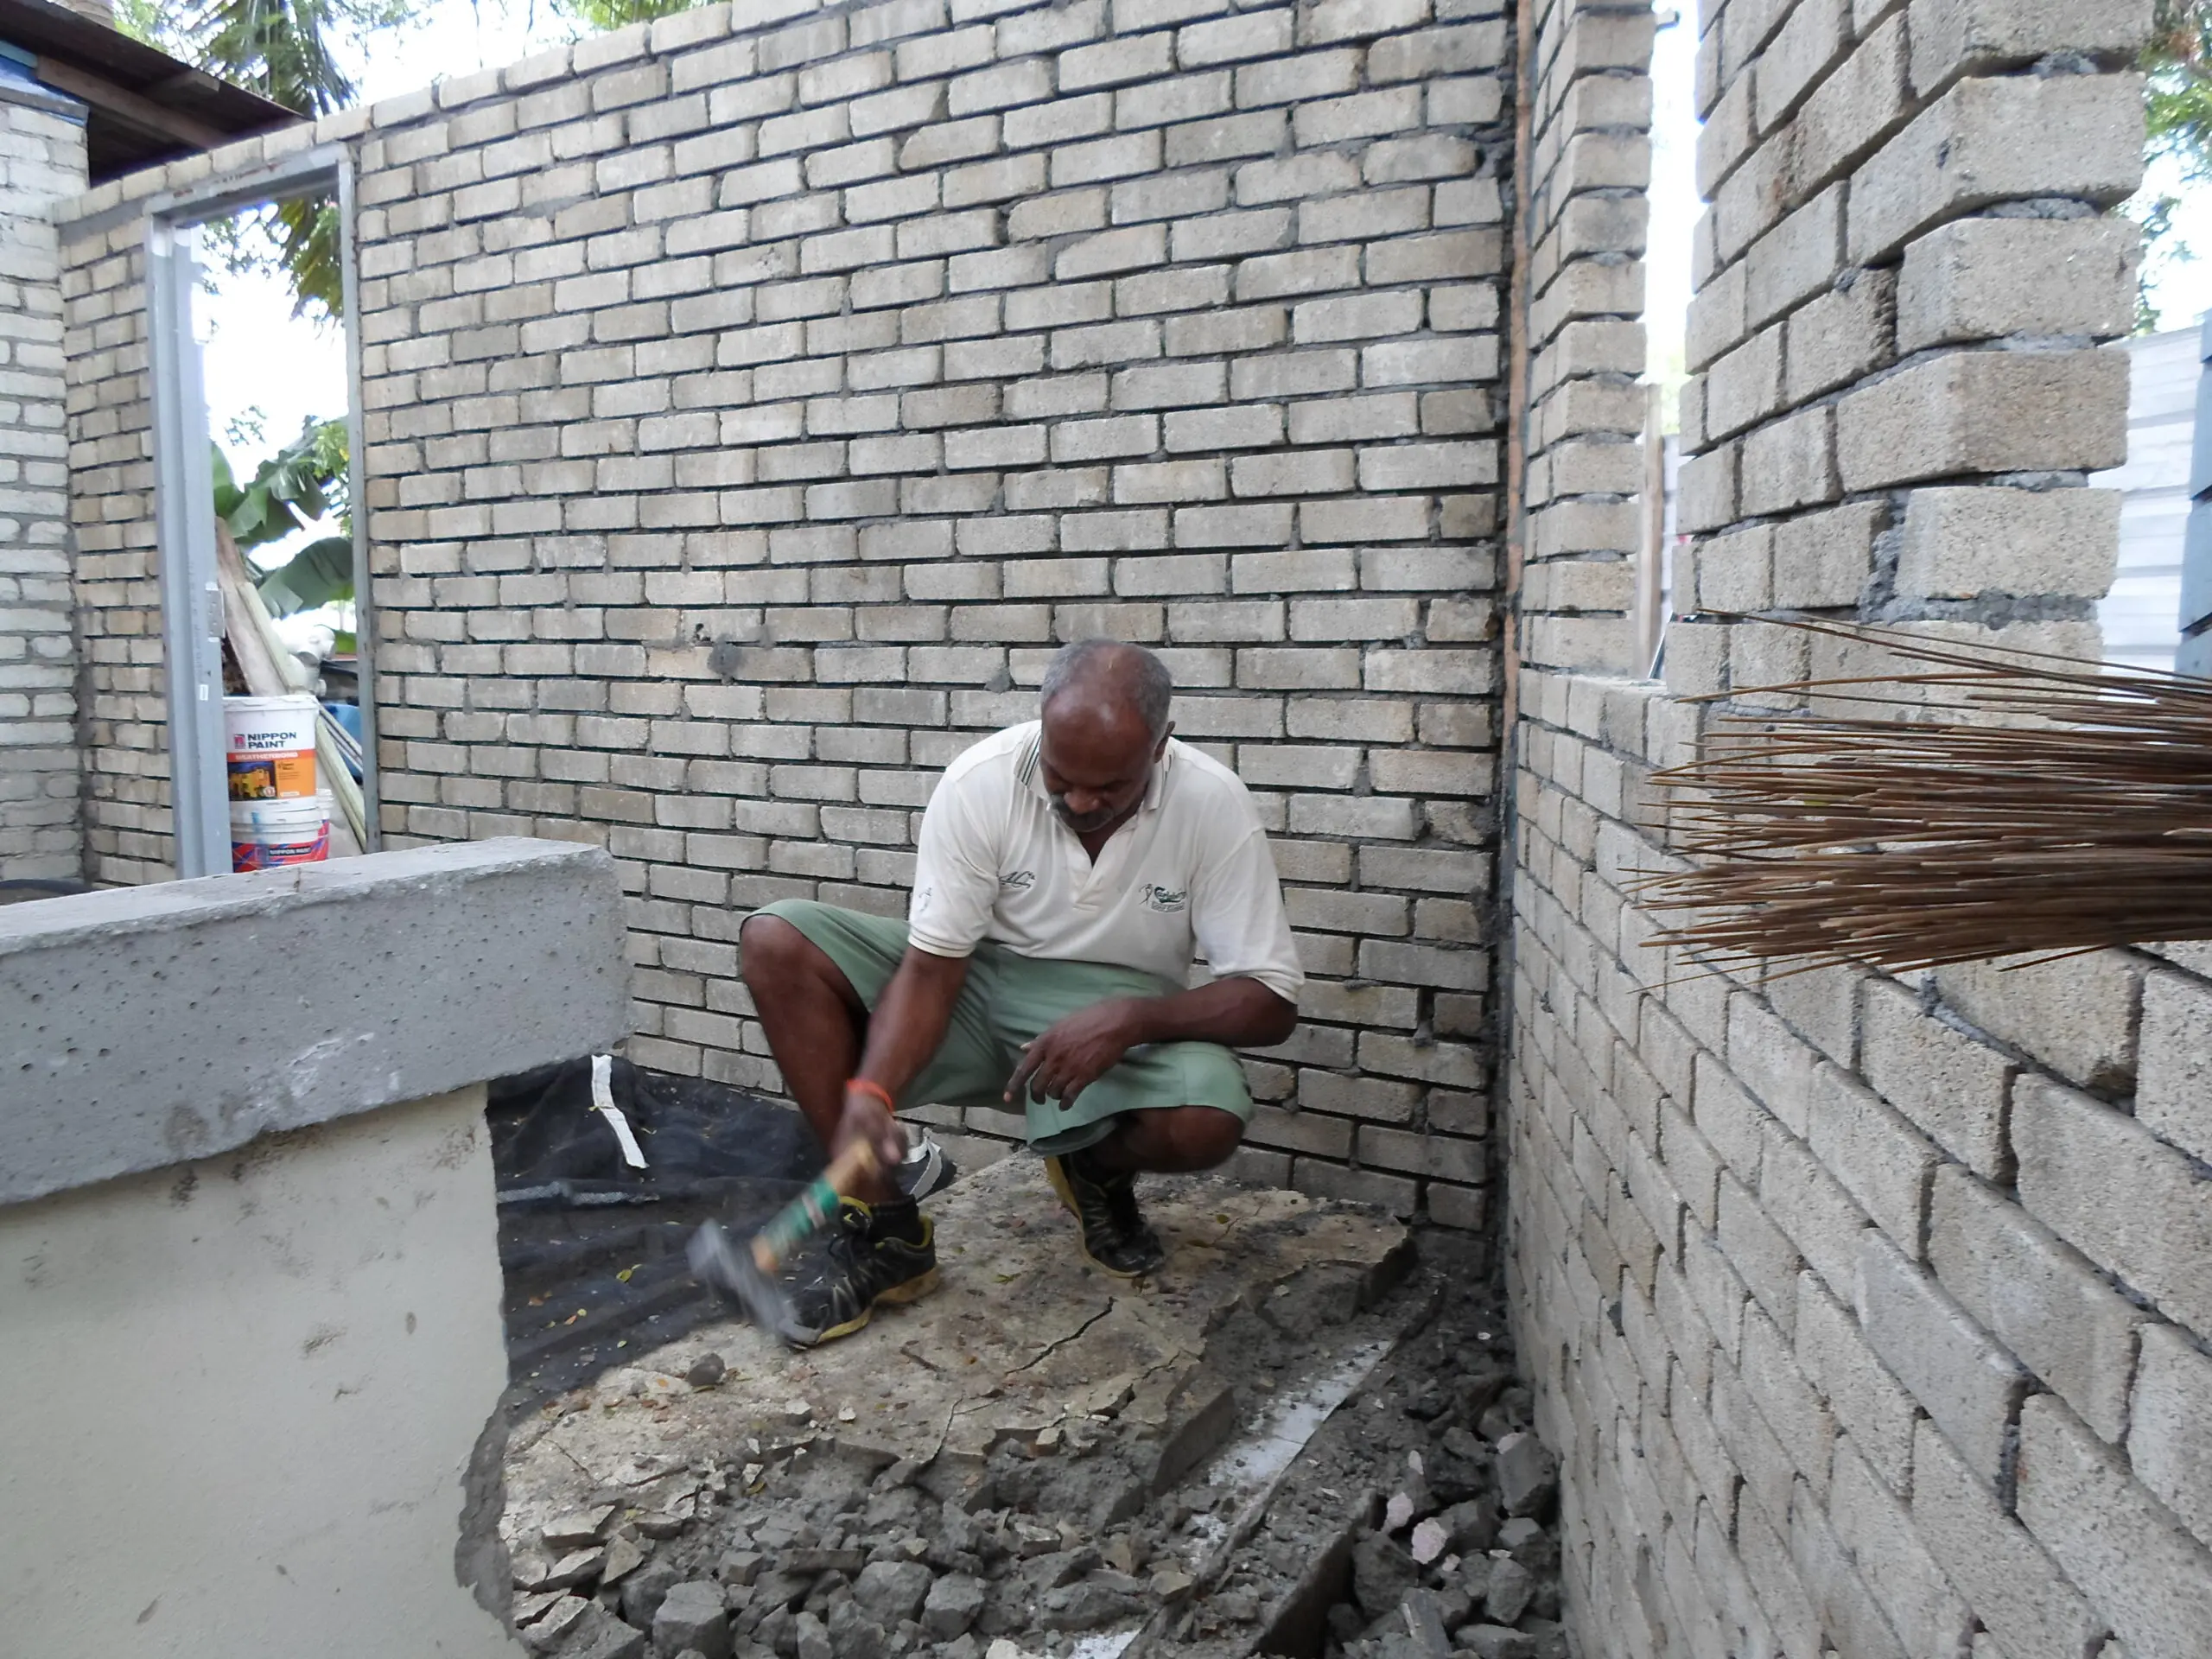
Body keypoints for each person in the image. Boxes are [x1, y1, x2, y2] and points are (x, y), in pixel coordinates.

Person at [737, 639, 1305, 1345]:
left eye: (1110, 788)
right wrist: (872, 1095)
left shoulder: (1212, 803)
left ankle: (1092, 1167)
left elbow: (1271, 999)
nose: (1080, 801)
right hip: (973, 987)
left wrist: (1132, 1020)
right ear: (1043, 728)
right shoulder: (983, 782)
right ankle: (886, 1234)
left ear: (1162, 748)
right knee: (777, 941)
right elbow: (932, 967)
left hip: (1113, 1018)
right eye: (1063, 778)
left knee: (1207, 1119)